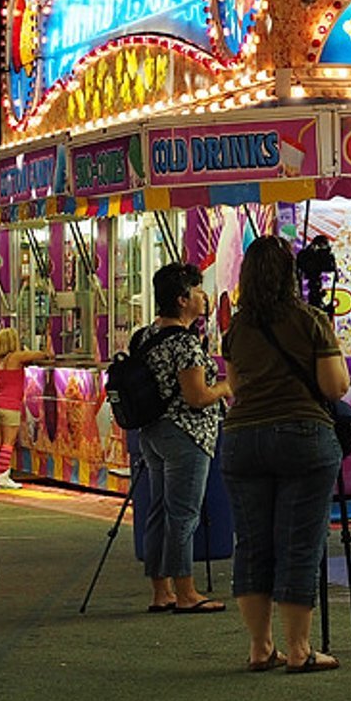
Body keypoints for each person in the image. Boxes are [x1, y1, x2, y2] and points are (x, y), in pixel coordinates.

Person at [220, 236, 350, 673]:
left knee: (253, 543)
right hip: (302, 436)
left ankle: (260, 647)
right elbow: (335, 387)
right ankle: (299, 649)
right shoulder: (310, 320)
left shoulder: (236, 329)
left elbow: (236, 388)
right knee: (299, 542)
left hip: (242, 440)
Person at [136, 262, 229, 613]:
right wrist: (227, 386)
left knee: (159, 510)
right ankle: (187, 592)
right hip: (187, 436)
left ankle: (161, 591)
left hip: (153, 432)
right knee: (184, 515)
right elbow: (197, 396)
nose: (203, 297)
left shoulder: (145, 335)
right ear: (182, 299)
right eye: (197, 290)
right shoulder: (186, 344)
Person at [0, 327, 50, 488]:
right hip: (10, 405)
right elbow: (43, 355)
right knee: (8, 442)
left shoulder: (1, 361)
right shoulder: (17, 357)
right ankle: (3, 476)